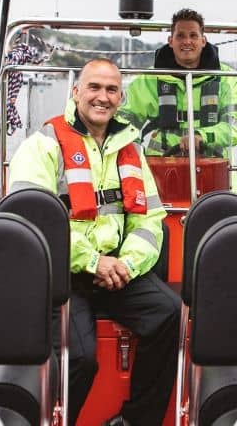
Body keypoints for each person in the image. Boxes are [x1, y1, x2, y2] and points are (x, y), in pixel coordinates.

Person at [9, 58, 179, 426]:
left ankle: (134, 420)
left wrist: (128, 264)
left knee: (170, 313)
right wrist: (91, 261)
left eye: (111, 90)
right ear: (76, 92)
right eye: (94, 88)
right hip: (62, 274)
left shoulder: (129, 147)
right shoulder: (43, 145)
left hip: (118, 269)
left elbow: (150, 221)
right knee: (81, 358)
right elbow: (31, 221)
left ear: (121, 98)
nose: (102, 97)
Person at [118, 8, 237, 160]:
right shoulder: (150, 79)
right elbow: (124, 121)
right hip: (160, 170)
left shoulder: (227, 78)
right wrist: (134, 158)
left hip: (214, 169)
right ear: (171, 41)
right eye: (180, 36)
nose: (187, 41)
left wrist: (202, 136)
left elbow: (235, 125)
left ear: (203, 41)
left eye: (193, 35)